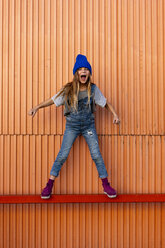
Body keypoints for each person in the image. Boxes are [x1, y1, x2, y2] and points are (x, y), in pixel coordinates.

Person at [28, 54, 120, 199]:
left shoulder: (93, 89)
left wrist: (115, 114)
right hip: (72, 126)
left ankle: (106, 185)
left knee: (96, 155)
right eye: (81, 69)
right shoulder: (68, 89)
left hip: (88, 126)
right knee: (62, 155)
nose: (83, 71)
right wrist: (37, 107)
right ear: (77, 73)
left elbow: (105, 103)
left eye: (86, 69)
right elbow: (52, 100)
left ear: (89, 73)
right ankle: (49, 186)